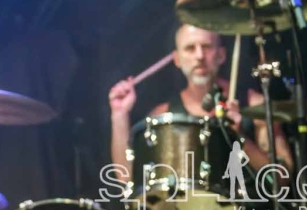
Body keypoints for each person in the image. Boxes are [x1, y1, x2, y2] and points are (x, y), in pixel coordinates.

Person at [108, 23, 292, 182]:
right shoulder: (164, 114)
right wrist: (119, 114)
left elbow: (282, 178)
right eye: (190, 48)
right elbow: (128, 177)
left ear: (221, 55)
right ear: (177, 59)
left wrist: (239, 137)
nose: (199, 56)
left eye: (206, 47)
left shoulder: (254, 104)